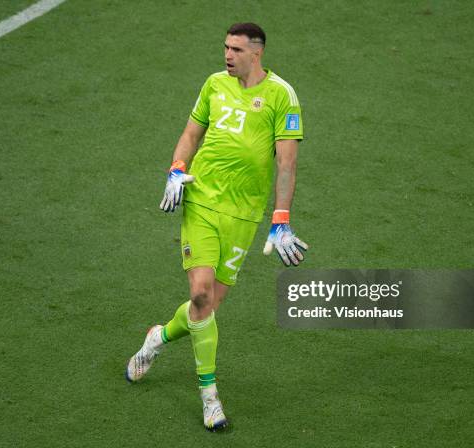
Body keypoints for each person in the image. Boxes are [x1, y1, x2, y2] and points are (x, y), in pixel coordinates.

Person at [126, 22, 308, 431]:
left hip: (244, 216)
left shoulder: (282, 95)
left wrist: (280, 219)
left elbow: (287, 162)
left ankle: (157, 338)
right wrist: (176, 169)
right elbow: (191, 133)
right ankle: (210, 397)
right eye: (225, 47)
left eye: (236, 50)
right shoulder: (213, 85)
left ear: (256, 53)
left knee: (204, 310)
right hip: (203, 202)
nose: (227, 55)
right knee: (201, 295)